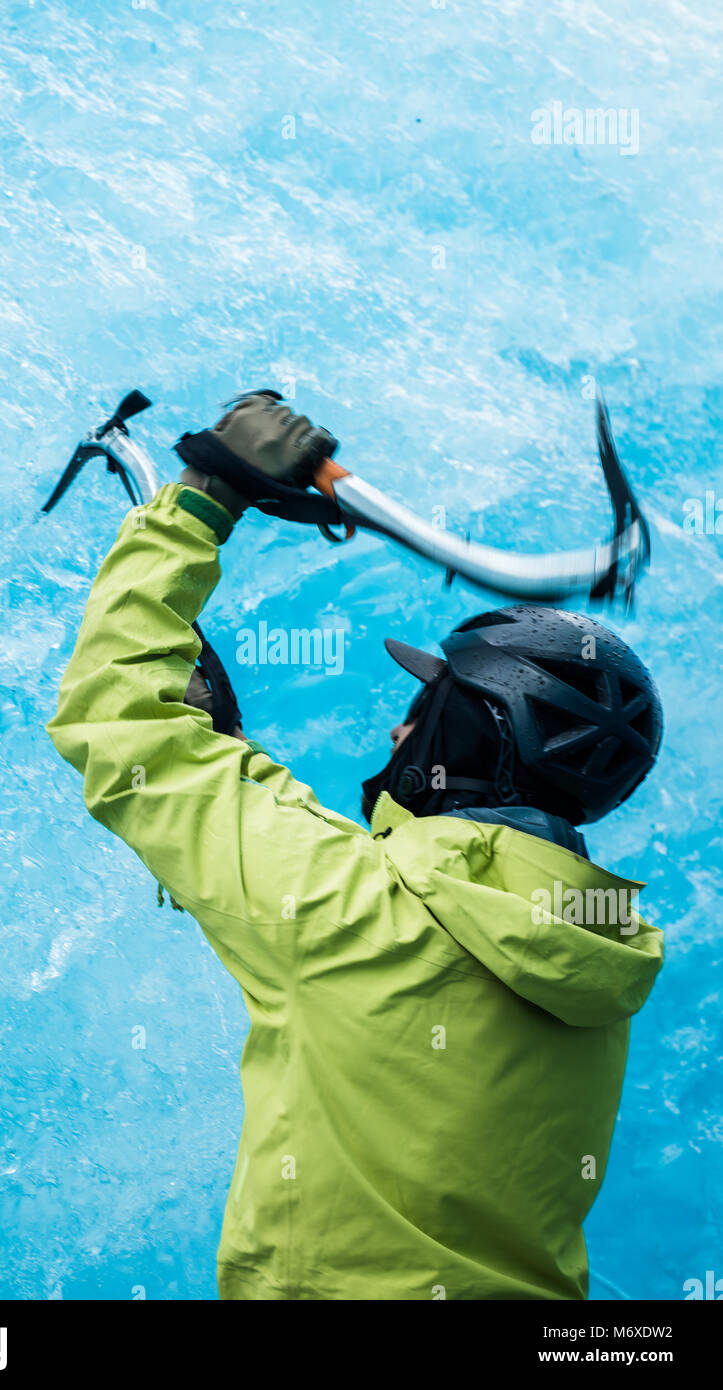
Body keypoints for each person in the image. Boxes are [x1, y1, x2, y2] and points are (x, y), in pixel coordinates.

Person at [48, 393, 664, 1301]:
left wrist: (201, 499)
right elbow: (394, 900)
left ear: (458, 741)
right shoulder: (595, 944)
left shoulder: (351, 909)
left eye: (420, 711)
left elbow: (117, 719)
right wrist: (228, 762)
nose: (394, 733)